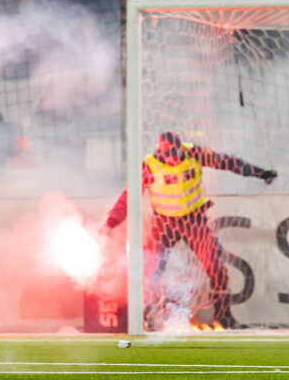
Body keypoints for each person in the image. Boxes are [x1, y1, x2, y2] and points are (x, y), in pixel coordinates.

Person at [101, 132, 277, 329]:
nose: (175, 160)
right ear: (161, 152)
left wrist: (259, 172)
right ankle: (146, 317)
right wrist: (111, 222)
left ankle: (224, 318)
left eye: (177, 154)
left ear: (181, 148)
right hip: (164, 223)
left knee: (217, 268)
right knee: (150, 270)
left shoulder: (194, 153)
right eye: (170, 156)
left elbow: (227, 162)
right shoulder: (149, 166)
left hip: (194, 220)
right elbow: (128, 196)